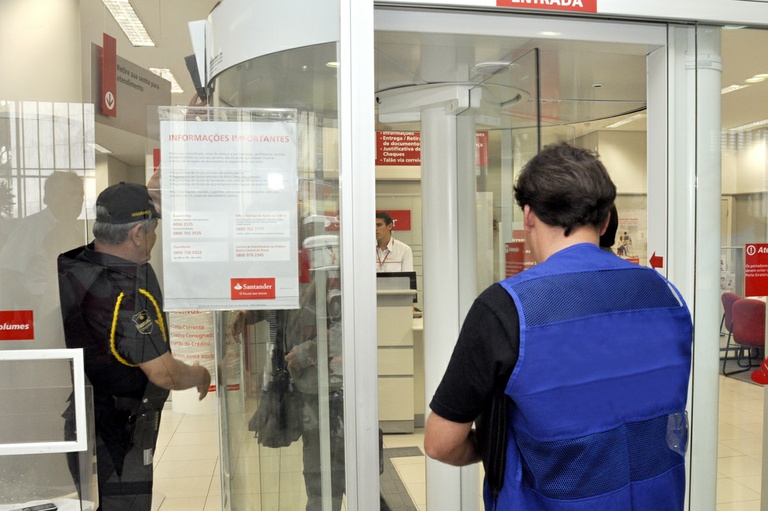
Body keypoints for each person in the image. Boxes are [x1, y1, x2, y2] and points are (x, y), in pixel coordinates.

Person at [423, 143, 693, 510]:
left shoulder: (506, 308)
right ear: (605, 221)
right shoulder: (665, 294)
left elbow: (441, 442)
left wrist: (494, 447)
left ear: (529, 216)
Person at [58, 182, 212, 511]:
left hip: (84, 419)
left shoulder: (77, 264)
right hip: (117, 439)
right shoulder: (127, 295)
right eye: (153, 229)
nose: (155, 237)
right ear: (138, 234)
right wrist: (200, 374)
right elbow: (164, 374)